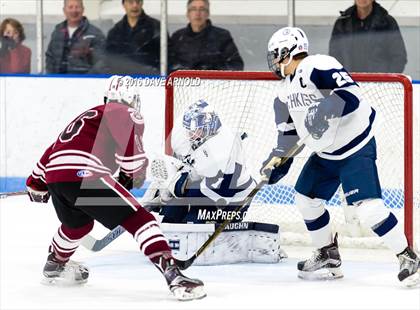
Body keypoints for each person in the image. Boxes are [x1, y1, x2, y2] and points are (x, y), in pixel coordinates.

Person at [25, 75, 206, 301]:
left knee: (78, 224)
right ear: (133, 100)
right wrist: (130, 179)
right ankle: (174, 275)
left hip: (56, 176)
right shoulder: (126, 112)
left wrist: (37, 185)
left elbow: (51, 154)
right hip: (86, 175)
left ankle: (55, 263)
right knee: (141, 219)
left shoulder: (87, 116)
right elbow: (133, 165)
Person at [263, 26, 419, 284]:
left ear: (287, 52)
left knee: (369, 210)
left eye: (275, 55)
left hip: (355, 147)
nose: (274, 62)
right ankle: (328, 254)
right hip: (325, 153)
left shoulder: (318, 65)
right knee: (305, 199)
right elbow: (288, 138)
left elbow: (351, 95)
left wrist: (325, 108)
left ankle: (408, 256)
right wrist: (278, 160)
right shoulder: (282, 94)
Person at [145, 100, 285, 265]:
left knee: (193, 225)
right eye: (189, 130)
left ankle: (229, 234)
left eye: (195, 130)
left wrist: (175, 188)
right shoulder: (198, 137)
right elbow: (189, 166)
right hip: (211, 190)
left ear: (208, 127)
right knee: (171, 215)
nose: (190, 135)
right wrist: (163, 186)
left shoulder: (222, 150)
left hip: (232, 202)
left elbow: (218, 196)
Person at [329, 0, 407, 73]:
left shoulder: (387, 22)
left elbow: (399, 57)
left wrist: (386, 79)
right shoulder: (342, 22)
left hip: (380, 84)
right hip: (349, 83)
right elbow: (334, 55)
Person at [169, 0, 244, 72]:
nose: (197, 13)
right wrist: (185, 71)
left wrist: (211, 69)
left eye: (202, 9)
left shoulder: (222, 36)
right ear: (188, 14)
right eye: (193, 9)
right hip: (185, 82)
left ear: (207, 13)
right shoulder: (178, 37)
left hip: (213, 83)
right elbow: (169, 64)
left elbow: (236, 65)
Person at [45, 0, 105, 74]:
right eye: (70, 7)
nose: (74, 10)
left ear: (83, 10)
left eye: (77, 7)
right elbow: (50, 57)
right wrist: (51, 77)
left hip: (86, 82)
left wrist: (88, 78)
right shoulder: (57, 32)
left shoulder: (95, 33)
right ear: (64, 10)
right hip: (58, 81)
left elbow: (102, 61)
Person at [105, 0, 161, 75]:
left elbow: (167, 56)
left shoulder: (156, 27)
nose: (135, 5)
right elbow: (109, 60)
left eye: (138, 2)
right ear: (124, 4)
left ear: (142, 3)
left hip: (149, 80)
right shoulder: (115, 32)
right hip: (122, 80)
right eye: (131, 2)